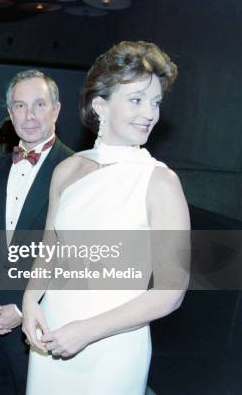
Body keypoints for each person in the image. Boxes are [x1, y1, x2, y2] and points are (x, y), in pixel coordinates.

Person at [22, 41, 190, 394]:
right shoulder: (67, 170)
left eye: (155, 102)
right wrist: (29, 299)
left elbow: (171, 292)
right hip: (52, 332)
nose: (149, 113)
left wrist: (87, 331)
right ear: (100, 105)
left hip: (113, 348)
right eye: (136, 100)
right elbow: (50, 248)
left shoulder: (159, 181)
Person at [0, 70, 73, 395]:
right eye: (20, 106)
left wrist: (19, 306)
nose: (29, 116)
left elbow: (72, 255)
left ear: (56, 110)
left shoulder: (75, 169)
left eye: (39, 105)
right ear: (10, 113)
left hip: (41, 326)